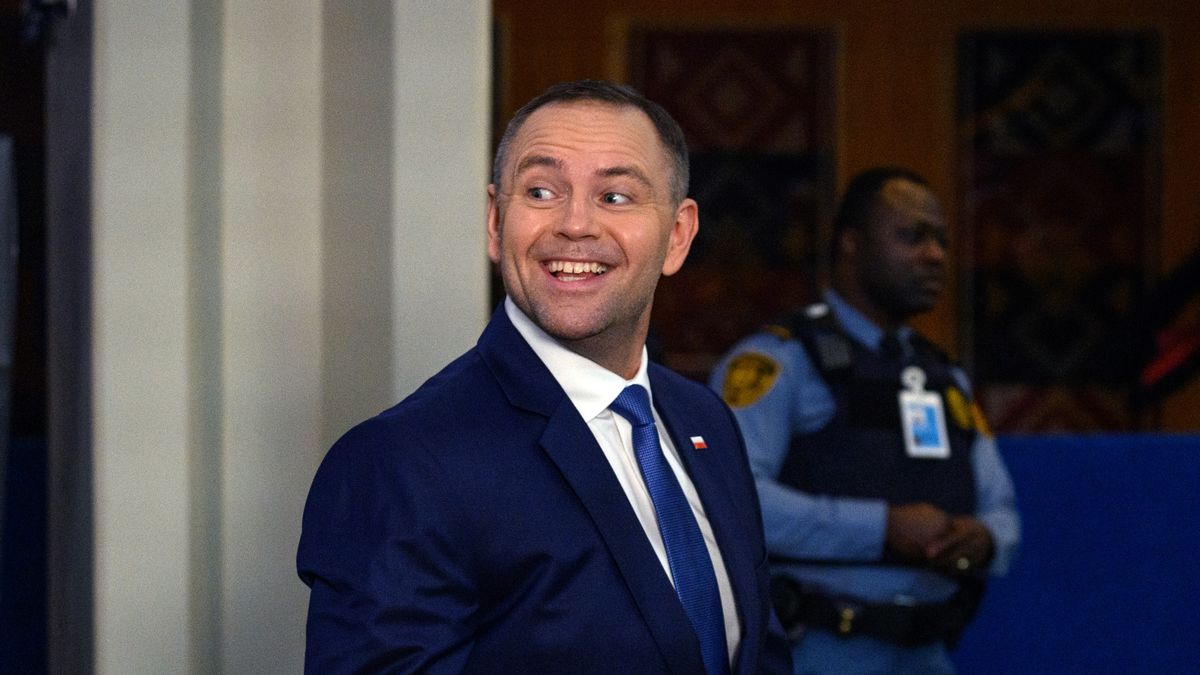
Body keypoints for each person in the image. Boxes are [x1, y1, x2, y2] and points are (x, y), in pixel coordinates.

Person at [297, 80, 792, 674]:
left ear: (678, 237)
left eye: (615, 196)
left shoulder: (706, 420)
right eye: (541, 191)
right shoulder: (399, 463)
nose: (575, 224)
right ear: (495, 222)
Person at [709, 167, 1020, 674]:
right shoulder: (781, 361)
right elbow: (730, 504)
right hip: (817, 650)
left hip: (929, 653)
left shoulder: (943, 377)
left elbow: (1002, 509)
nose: (936, 255)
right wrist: (881, 528)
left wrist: (981, 539)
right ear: (851, 244)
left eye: (941, 240)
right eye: (912, 236)